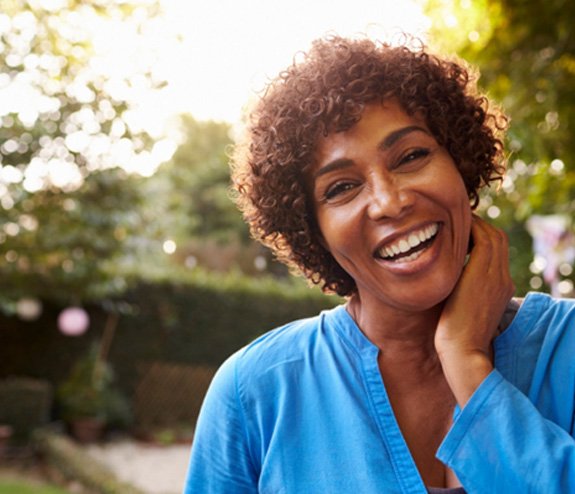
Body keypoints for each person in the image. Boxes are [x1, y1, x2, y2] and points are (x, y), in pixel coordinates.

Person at [183, 35, 575, 493]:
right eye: (341, 188)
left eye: (411, 156)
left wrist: (467, 362)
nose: (389, 202)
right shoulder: (255, 392)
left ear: (461, 163)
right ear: (314, 231)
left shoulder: (566, 348)